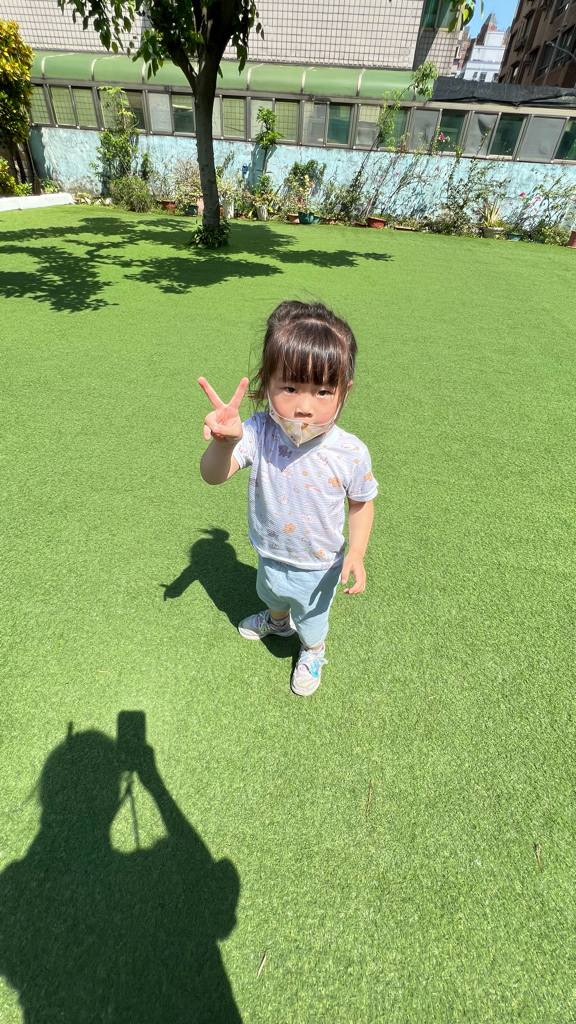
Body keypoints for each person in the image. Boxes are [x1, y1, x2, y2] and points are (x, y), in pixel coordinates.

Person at [198, 300, 377, 696]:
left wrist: (357, 551)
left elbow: (361, 502)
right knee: (272, 594)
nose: (304, 406)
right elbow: (213, 476)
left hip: (319, 565)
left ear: (344, 391)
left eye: (323, 391)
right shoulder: (258, 431)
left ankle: (313, 650)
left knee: (311, 620)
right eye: (291, 387)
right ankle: (278, 623)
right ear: (267, 381)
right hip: (269, 549)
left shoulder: (349, 452)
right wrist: (224, 444)